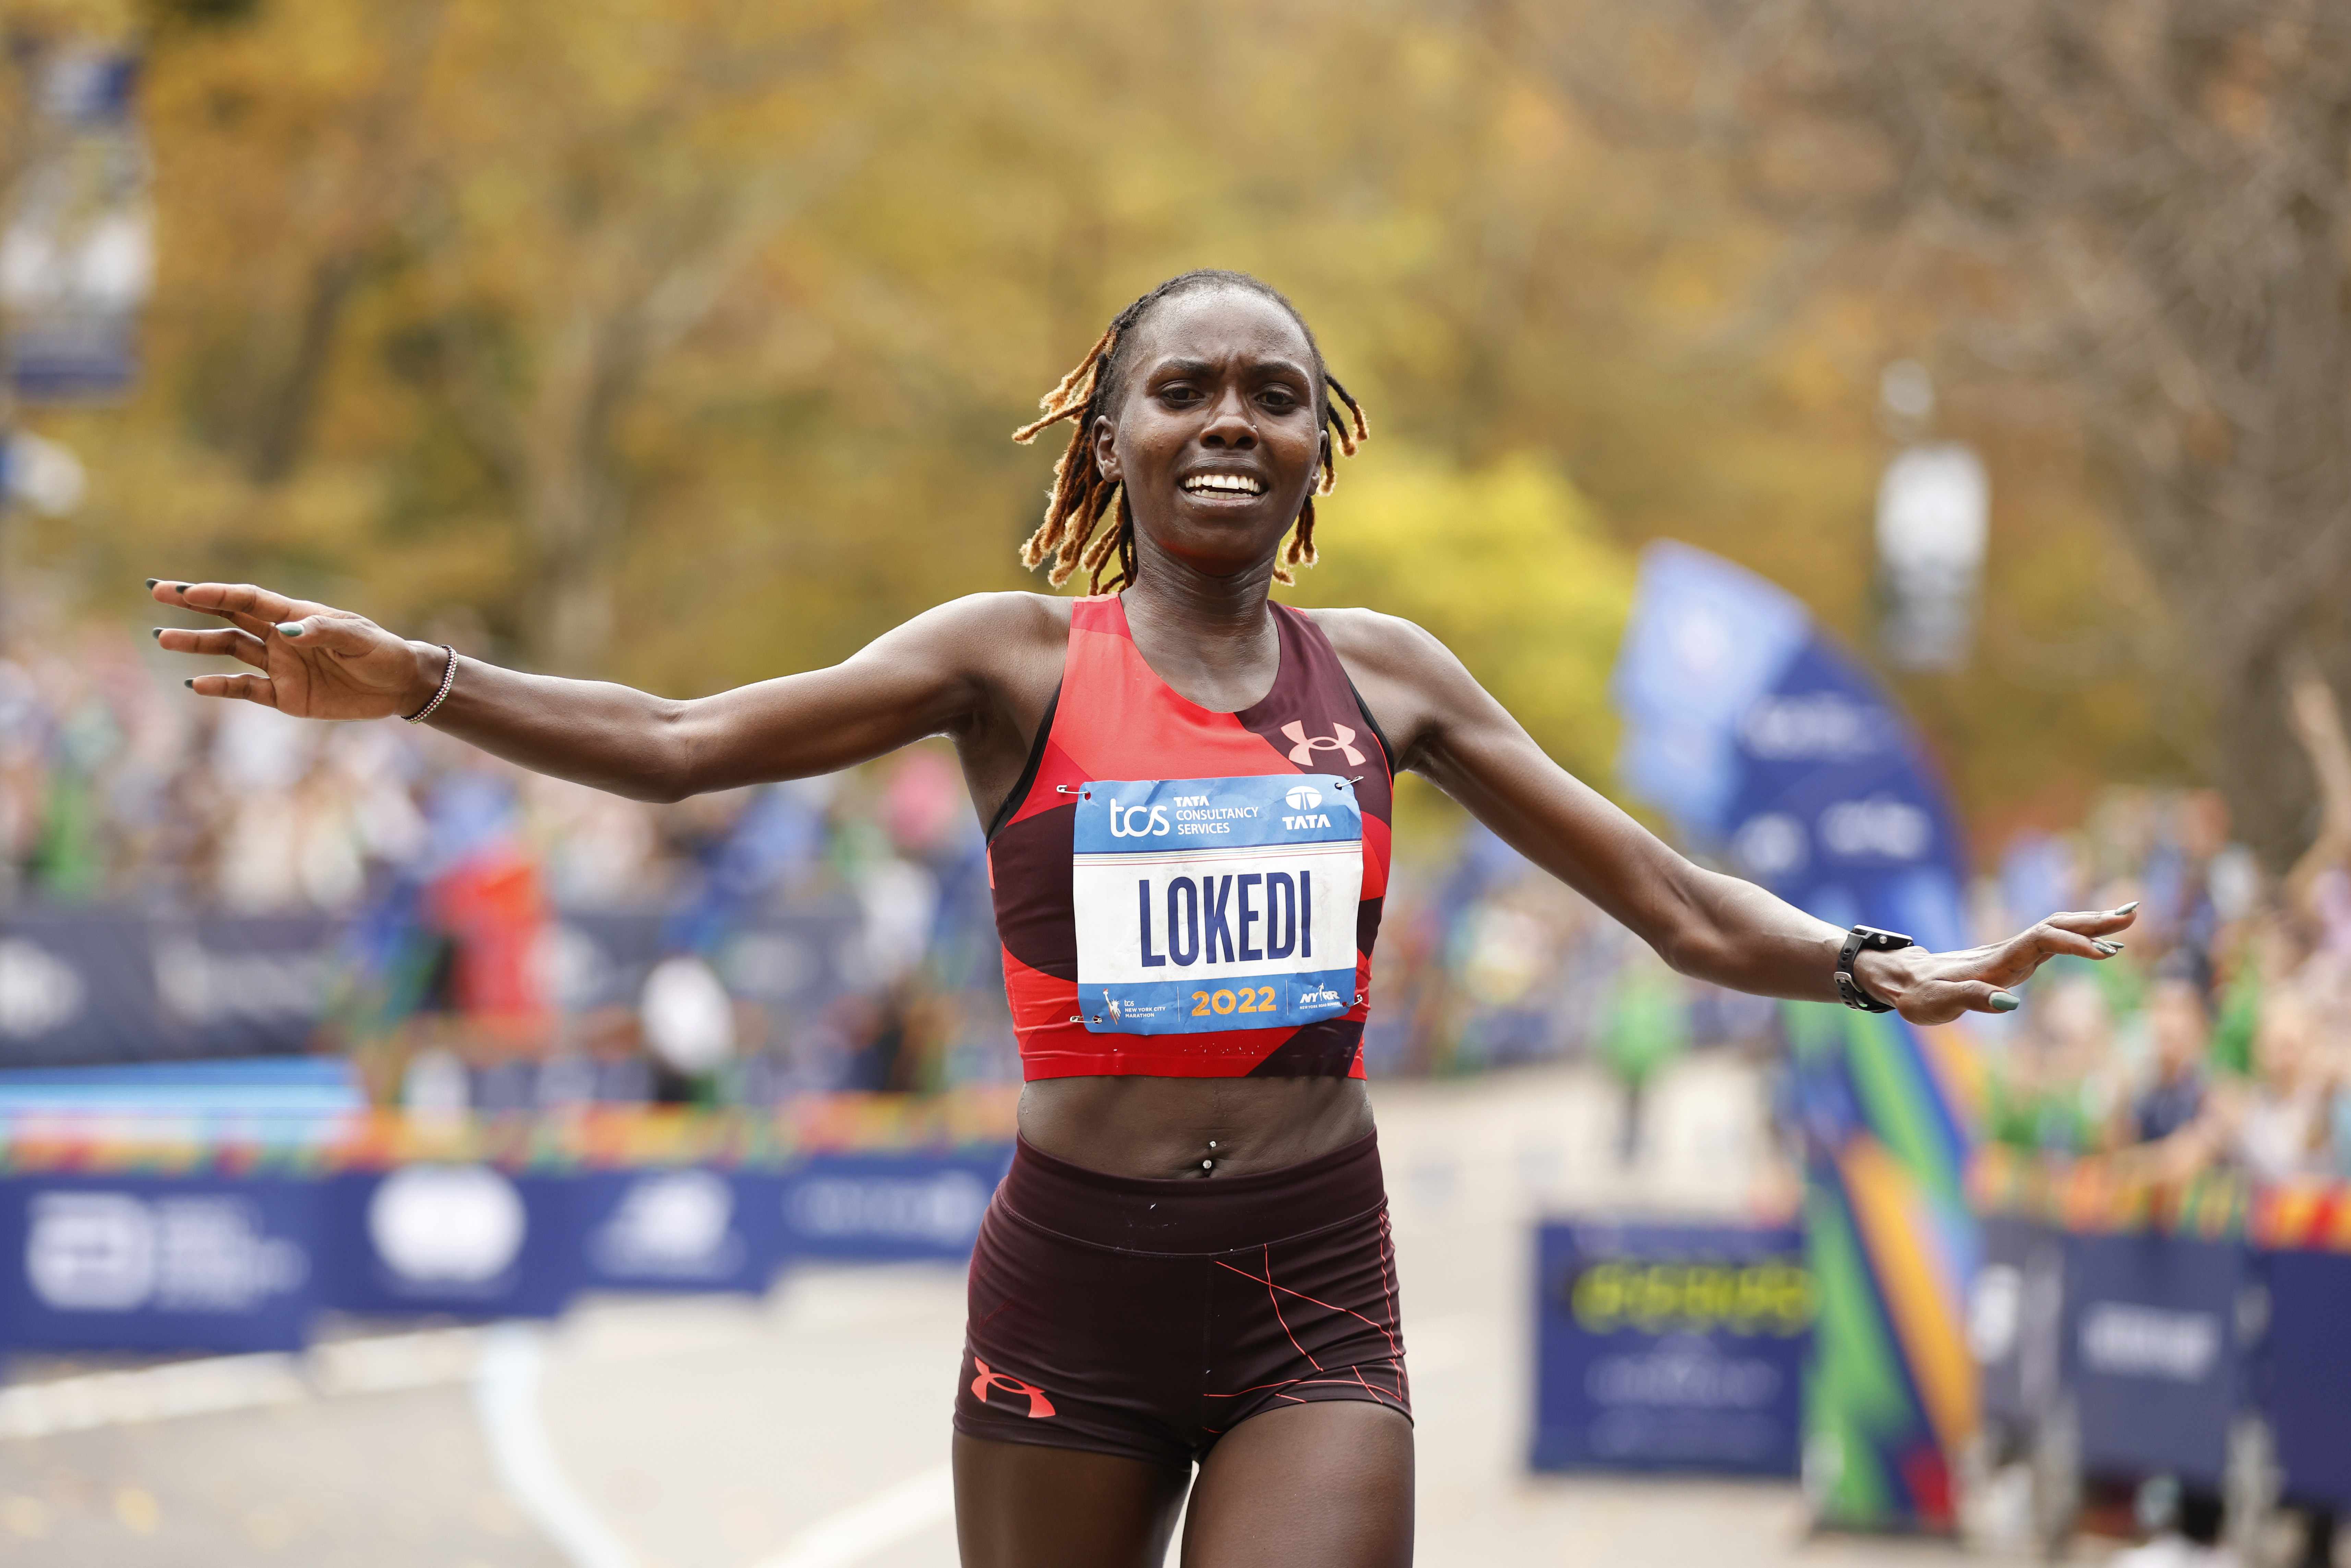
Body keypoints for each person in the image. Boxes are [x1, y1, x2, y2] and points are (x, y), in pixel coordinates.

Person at [151, 268, 2133, 1568]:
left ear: (1314, 447)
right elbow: (683, 742)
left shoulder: (1397, 680)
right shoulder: (1009, 659)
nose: (1229, 422)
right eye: (1183, 390)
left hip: (1312, 1283)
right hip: (1072, 1290)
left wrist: (1877, 969)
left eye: (1274, 396)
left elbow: (1677, 905)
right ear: (1106, 434)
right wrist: (417, 678)